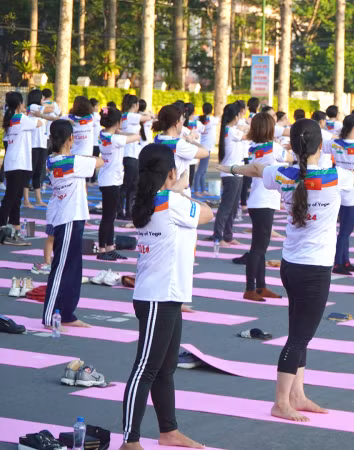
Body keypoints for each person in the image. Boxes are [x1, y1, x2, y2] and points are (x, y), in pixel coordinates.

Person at [219, 119, 354, 422]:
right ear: (320, 146)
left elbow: (257, 169)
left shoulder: (281, 173)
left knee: (299, 333)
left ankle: (297, 395)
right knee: (299, 338)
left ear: (292, 146)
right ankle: (281, 402)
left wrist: (231, 168)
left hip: (291, 265)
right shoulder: (336, 176)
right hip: (314, 269)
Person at [120, 144, 211, 450]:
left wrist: (177, 189)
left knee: (165, 367)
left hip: (166, 294)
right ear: (171, 173)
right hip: (157, 296)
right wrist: (181, 190)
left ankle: (168, 431)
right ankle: (130, 440)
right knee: (145, 369)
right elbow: (207, 213)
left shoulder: (150, 200)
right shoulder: (171, 201)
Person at [42, 119, 104, 329]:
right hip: (67, 219)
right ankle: (50, 316)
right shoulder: (70, 162)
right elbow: (99, 161)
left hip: (72, 217)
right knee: (61, 269)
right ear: (70, 138)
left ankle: (67, 313)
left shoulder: (54, 159)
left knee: (73, 269)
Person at [242, 112, 286, 301]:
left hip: (257, 200)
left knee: (260, 247)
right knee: (258, 248)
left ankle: (260, 286)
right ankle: (250, 288)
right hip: (264, 201)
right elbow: (290, 158)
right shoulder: (274, 147)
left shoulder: (254, 147)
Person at [325, 114, 354, 275]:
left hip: (337, 191)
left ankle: (345, 261)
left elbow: (318, 146)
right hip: (353, 194)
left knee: (344, 230)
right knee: (345, 231)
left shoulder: (335, 143)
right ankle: (338, 263)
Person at [0, 91, 46, 246]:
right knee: (11, 197)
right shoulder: (21, 118)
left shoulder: (10, 118)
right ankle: (2, 227)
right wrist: (35, 114)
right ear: (20, 104)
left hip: (15, 162)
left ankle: (15, 229)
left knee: (15, 197)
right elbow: (39, 123)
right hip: (19, 163)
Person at [97, 107, 141, 260]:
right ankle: (102, 249)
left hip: (107, 179)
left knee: (110, 216)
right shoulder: (115, 139)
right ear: (117, 122)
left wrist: (119, 131)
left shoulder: (103, 134)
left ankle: (109, 247)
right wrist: (122, 132)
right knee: (108, 217)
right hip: (111, 181)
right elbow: (137, 136)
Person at [209, 103, 246, 245]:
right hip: (231, 174)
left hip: (236, 172)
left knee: (233, 207)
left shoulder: (229, 130)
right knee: (226, 207)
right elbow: (247, 135)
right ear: (236, 116)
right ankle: (218, 236)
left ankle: (228, 235)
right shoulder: (230, 131)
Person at [119, 94, 153, 220]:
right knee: (129, 185)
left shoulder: (125, 115)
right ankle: (124, 211)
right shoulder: (131, 115)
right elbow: (148, 117)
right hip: (131, 154)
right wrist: (149, 114)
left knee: (129, 185)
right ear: (135, 105)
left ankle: (125, 211)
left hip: (130, 153)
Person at [24, 89, 49, 207]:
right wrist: (46, 105)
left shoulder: (39, 110)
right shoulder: (33, 107)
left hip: (42, 145)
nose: (43, 99)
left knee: (38, 173)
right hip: (33, 146)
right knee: (29, 172)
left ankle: (38, 199)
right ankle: (26, 200)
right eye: (42, 97)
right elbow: (49, 109)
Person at [195, 103, 216, 195]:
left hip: (203, 146)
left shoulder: (198, 118)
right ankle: (197, 190)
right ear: (211, 110)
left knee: (203, 170)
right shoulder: (213, 120)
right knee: (201, 170)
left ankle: (203, 189)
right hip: (206, 148)